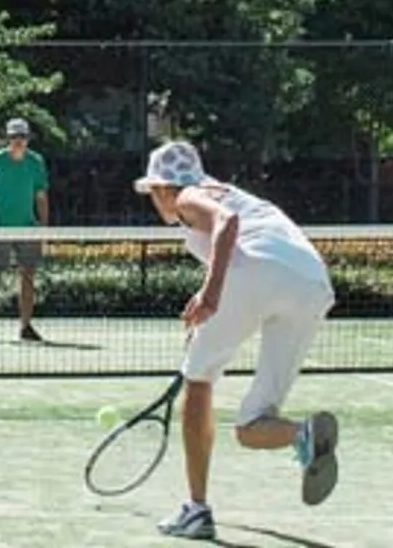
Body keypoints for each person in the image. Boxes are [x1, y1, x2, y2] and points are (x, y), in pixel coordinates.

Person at [134, 138, 340, 541]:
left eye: (152, 192)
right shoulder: (230, 193)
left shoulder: (187, 197)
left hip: (257, 274)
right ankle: (302, 434)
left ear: (163, 188)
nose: (153, 200)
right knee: (250, 426)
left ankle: (196, 511)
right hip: (312, 285)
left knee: (198, 383)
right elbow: (242, 247)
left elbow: (229, 227)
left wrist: (211, 296)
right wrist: (208, 295)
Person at [0, 117, 49, 342]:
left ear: (28, 138)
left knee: (27, 276)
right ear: (8, 138)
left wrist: (43, 228)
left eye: (22, 136)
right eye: (14, 136)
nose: (18, 140)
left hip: (27, 228)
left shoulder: (36, 162)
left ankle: (26, 327)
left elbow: (41, 196)